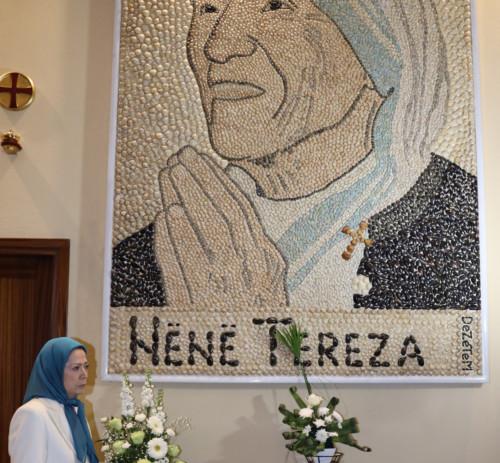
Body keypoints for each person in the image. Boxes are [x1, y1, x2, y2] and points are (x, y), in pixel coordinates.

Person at [111, 0, 480, 311]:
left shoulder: (460, 227)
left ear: (380, 51)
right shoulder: (147, 258)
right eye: (208, 7)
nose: (218, 45)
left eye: (275, 5)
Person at [9, 338, 98, 463]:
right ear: (53, 370)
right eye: (76, 368)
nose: (84, 375)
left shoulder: (76, 412)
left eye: (86, 366)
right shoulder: (32, 414)